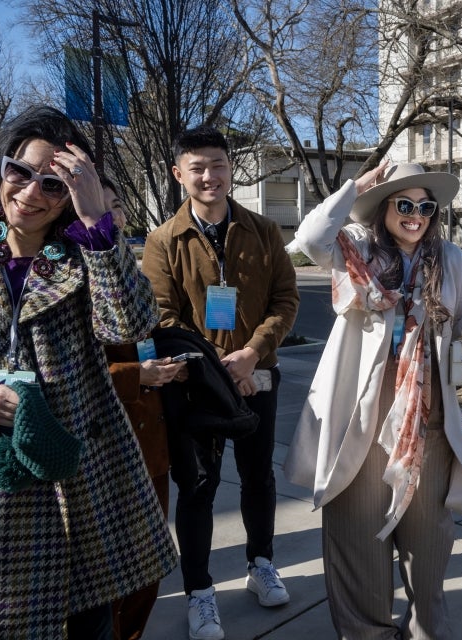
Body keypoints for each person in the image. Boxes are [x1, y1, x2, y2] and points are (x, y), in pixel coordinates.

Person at [282, 161, 462, 639]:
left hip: (428, 418)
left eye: (425, 206)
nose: (416, 215)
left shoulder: (450, 258)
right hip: (359, 419)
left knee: (429, 547)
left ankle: (427, 630)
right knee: (358, 543)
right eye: (404, 204)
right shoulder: (356, 249)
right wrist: (357, 187)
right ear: (384, 207)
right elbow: (309, 239)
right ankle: (367, 633)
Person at [0, 105, 176, 639]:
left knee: (91, 623)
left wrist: (97, 224)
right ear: (2, 167)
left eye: (53, 184)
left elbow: (130, 324)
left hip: (84, 483)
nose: (30, 193)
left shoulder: (82, 256)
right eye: (20, 172)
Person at [141, 125, 300, 640]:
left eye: (218, 165)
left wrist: (253, 355)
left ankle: (261, 563)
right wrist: (218, 367)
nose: (210, 176)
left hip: (258, 376)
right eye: (198, 167)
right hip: (196, 385)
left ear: (231, 168)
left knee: (259, 478)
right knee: (198, 487)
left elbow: (285, 301)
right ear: (178, 174)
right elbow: (162, 317)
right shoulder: (164, 240)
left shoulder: (263, 231)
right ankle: (200, 592)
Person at [100, 176, 186, 640]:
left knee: (147, 567)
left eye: (117, 206)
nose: (113, 215)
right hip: (104, 451)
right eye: (100, 206)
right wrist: (138, 376)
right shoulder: (67, 279)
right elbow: (61, 378)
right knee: (108, 574)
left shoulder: (132, 275)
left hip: (151, 446)